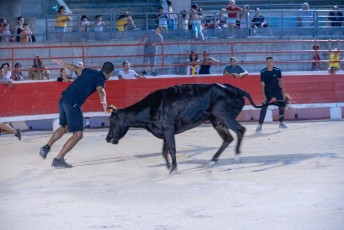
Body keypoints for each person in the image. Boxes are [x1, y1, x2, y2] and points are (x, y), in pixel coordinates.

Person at [38, 60, 115, 168]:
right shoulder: (100, 79)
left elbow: (75, 68)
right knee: (78, 135)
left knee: (65, 127)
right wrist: (104, 103)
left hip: (63, 99)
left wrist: (62, 63)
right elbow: (101, 91)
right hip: (72, 103)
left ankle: (46, 147)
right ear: (110, 73)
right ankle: (58, 159)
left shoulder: (89, 71)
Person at [256, 56, 288, 132]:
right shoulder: (263, 72)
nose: (269, 63)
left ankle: (281, 122)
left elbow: (281, 81)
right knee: (264, 107)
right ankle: (260, 124)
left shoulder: (277, 70)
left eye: (271, 61)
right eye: (268, 62)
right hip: (268, 91)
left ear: (273, 62)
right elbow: (262, 85)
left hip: (277, 90)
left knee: (282, 106)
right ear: (266, 63)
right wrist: (263, 96)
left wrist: (284, 92)